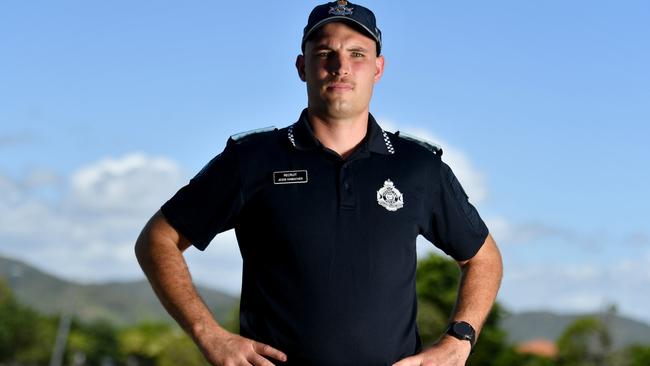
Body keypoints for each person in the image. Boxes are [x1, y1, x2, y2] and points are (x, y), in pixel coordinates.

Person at [135, 1, 503, 365]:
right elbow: (158, 240)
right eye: (326, 52)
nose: (341, 67)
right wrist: (210, 335)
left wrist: (459, 340)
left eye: (357, 54)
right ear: (302, 66)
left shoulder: (418, 167)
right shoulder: (252, 159)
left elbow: (483, 258)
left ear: (378, 68)